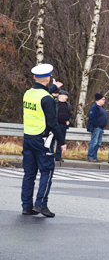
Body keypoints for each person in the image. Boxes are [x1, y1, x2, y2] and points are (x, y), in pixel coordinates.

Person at [21, 63, 66, 217]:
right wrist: (62, 142)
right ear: (47, 78)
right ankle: (41, 204)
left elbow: (41, 96)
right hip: (42, 139)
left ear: (34, 77)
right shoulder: (47, 98)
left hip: (28, 138)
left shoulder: (27, 93)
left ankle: (27, 206)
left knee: (29, 174)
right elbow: (53, 123)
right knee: (47, 171)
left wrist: (53, 88)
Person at [86, 93, 108, 162]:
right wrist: (96, 126)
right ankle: (90, 156)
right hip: (96, 128)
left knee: (98, 143)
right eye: (103, 99)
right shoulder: (94, 107)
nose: (104, 101)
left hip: (101, 128)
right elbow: (91, 118)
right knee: (94, 142)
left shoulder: (101, 108)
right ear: (98, 100)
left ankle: (94, 157)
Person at [54, 90, 72, 162]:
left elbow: (70, 114)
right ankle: (50, 154)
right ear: (60, 95)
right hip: (55, 125)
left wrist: (69, 121)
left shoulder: (67, 104)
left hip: (63, 125)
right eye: (65, 96)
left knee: (61, 141)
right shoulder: (55, 103)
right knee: (51, 140)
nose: (66, 97)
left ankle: (58, 156)